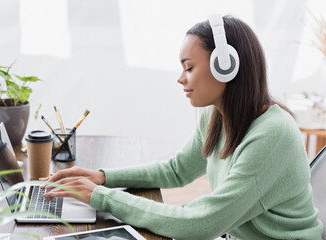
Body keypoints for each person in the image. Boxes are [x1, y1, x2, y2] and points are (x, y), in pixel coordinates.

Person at [41, 14, 323, 240]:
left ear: (226, 66)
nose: (180, 78)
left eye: (189, 68)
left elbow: (202, 225)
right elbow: (176, 170)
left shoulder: (273, 135)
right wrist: (103, 177)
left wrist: (101, 197)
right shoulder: (215, 114)